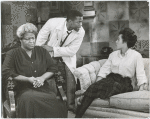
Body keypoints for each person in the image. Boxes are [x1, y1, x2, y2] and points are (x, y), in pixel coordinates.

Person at [75, 28, 148, 118]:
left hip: (125, 82)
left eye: (118, 39)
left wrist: (142, 89)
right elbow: (104, 70)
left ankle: (84, 96)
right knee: (98, 86)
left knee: (113, 86)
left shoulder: (136, 56)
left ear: (125, 42)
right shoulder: (113, 55)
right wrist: (97, 84)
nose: (116, 41)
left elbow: (141, 74)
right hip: (111, 79)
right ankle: (78, 116)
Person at [2, 23, 67, 118]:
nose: (32, 41)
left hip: (43, 88)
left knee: (54, 100)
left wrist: (42, 78)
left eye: (33, 38)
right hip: (21, 90)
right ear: (20, 40)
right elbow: (6, 72)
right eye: (28, 39)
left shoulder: (42, 51)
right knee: (30, 99)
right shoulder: (12, 54)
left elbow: (53, 68)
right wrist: (28, 79)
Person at [36, 10, 85, 112]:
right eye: (78, 22)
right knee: (49, 80)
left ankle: (70, 106)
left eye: (81, 22)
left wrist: (53, 49)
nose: (81, 25)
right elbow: (41, 37)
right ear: (70, 21)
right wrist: (40, 52)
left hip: (66, 57)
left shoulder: (81, 32)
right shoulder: (52, 23)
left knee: (70, 79)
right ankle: (52, 105)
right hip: (48, 56)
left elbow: (71, 51)